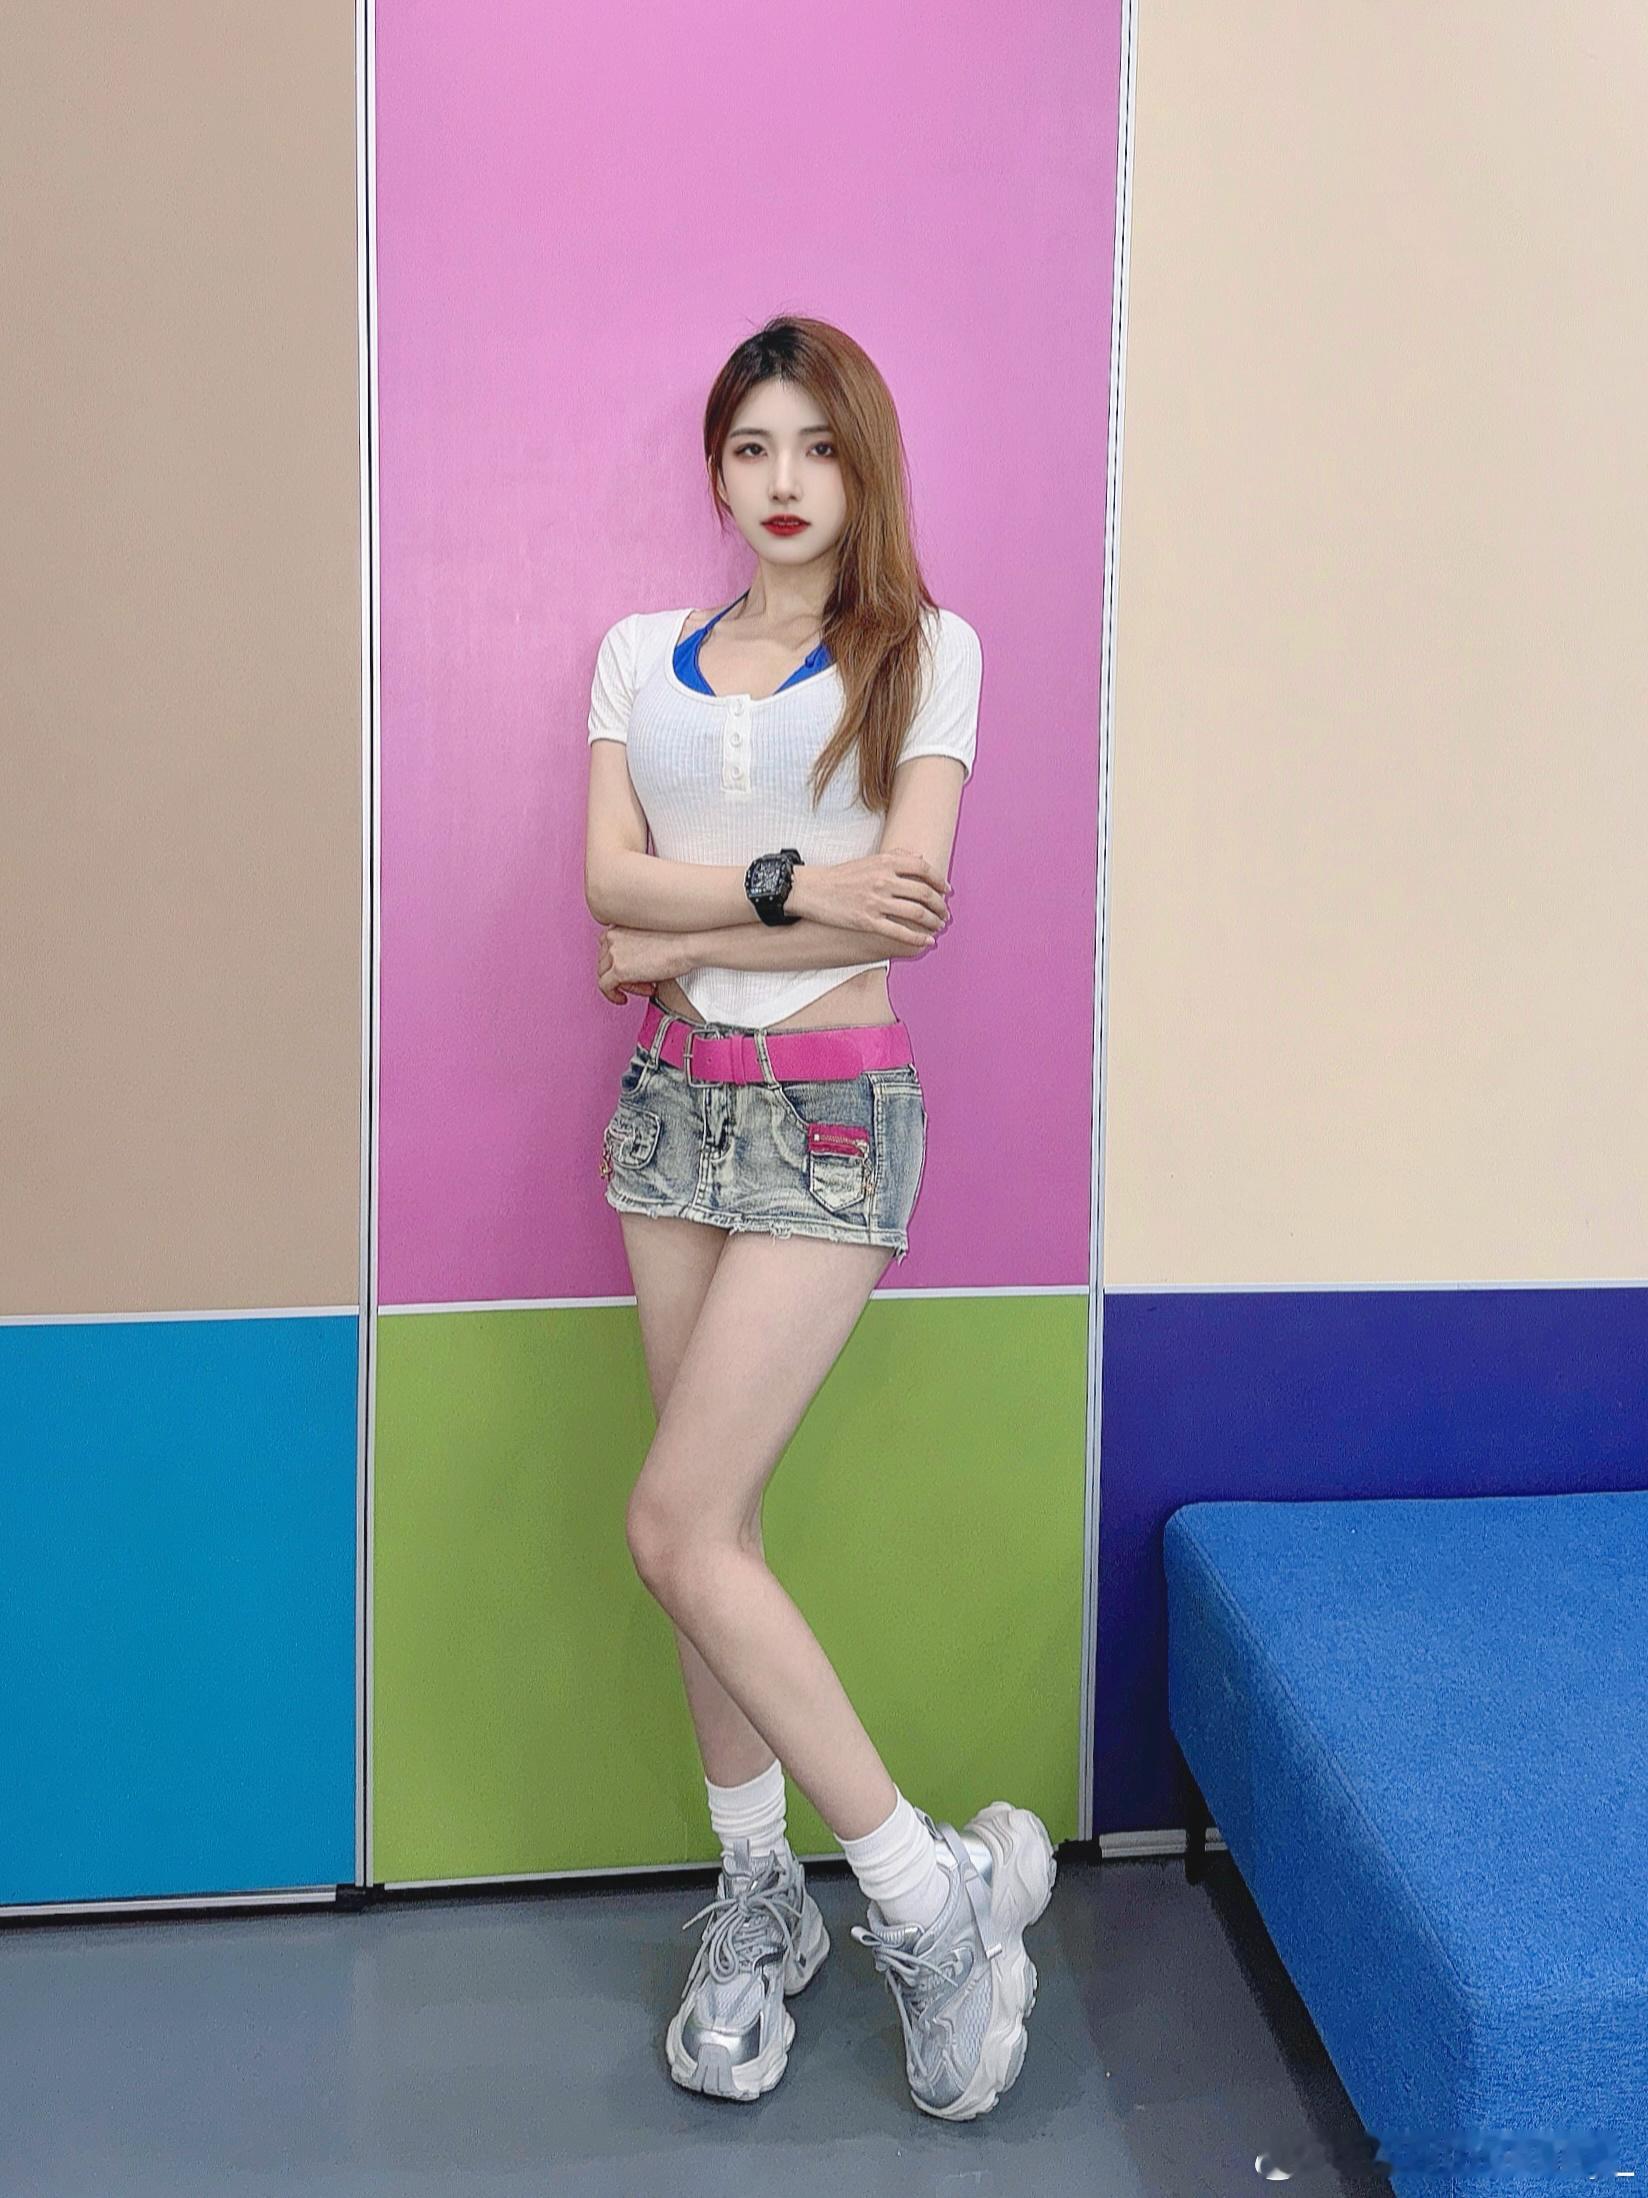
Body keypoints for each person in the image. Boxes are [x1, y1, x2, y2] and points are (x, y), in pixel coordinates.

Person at [582, 314, 1055, 2121]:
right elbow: (601, 884)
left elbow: (900, 900)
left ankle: (928, 1901)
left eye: (817, 447)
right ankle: (759, 1895)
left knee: (671, 1521)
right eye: (752, 447)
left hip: (833, 1121)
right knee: (715, 1528)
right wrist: (795, 886)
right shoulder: (639, 655)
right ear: (716, 468)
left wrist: (688, 921)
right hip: (671, 1113)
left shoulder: (926, 651)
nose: (784, 482)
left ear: (862, 465)